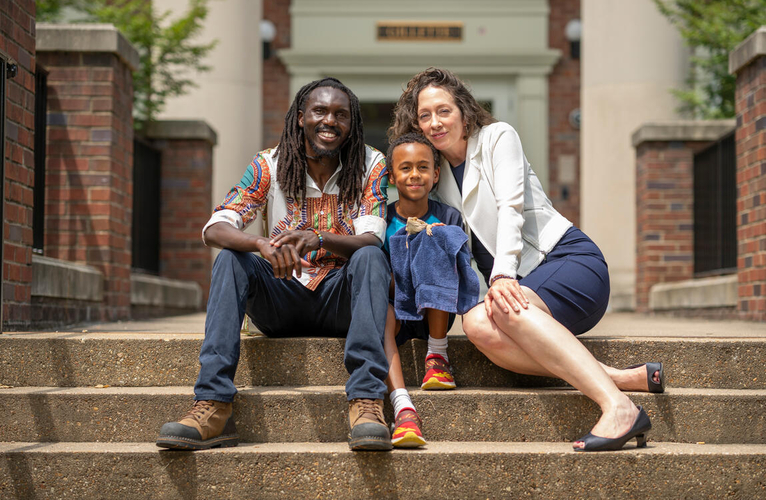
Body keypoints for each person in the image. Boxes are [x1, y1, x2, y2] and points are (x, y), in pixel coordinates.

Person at [389, 68, 665, 452]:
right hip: (525, 292)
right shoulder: (436, 175)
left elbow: (510, 209)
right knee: (477, 325)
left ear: (464, 113)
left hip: (567, 261)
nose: (435, 122)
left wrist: (501, 275)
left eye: (444, 111)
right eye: (424, 115)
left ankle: (618, 407)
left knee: (498, 309)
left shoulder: (498, 138)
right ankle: (618, 378)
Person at [156, 77, 394, 452]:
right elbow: (216, 226)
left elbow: (371, 238)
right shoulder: (269, 164)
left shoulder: (371, 163)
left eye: (340, 115)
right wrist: (260, 244)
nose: (329, 121)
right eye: (319, 111)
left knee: (370, 257)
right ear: (300, 117)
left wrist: (320, 238)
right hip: (280, 297)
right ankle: (213, 405)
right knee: (232, 260)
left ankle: (366, 403)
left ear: (352, 123)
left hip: (339, 300)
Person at [381, 132, 478, 448]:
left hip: (434, 309)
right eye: (405, 168)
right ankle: (403, 407)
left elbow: (461, 268)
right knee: (379, 309)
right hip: (395, 307)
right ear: (392, 175)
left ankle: (437, 356)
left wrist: (436, 240)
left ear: (435, 175)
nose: (414, 175)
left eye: (423, 167)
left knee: (437, 238)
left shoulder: (448, 215)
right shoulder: (381, 217)